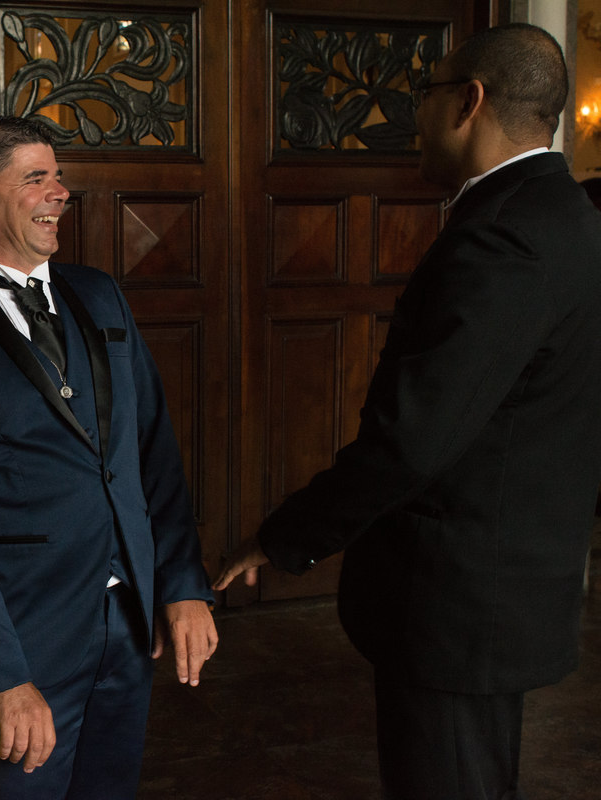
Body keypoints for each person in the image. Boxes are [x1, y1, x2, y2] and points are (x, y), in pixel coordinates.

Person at [216, 24, 601, 800]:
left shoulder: (503, 237)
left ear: (469, 101)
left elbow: (412, 441)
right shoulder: (570, 215)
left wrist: (283, 536)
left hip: (461, 601)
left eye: (421, 98)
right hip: (513, 578)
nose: (411, 118)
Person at [0, 116, 218, 798]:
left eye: (57, 177)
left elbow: (154, 454)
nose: (60, 193)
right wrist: (0, 673)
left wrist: (181, 582)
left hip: (128, 629)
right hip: (23, 640)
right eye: (36, 179)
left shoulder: (101, 295)